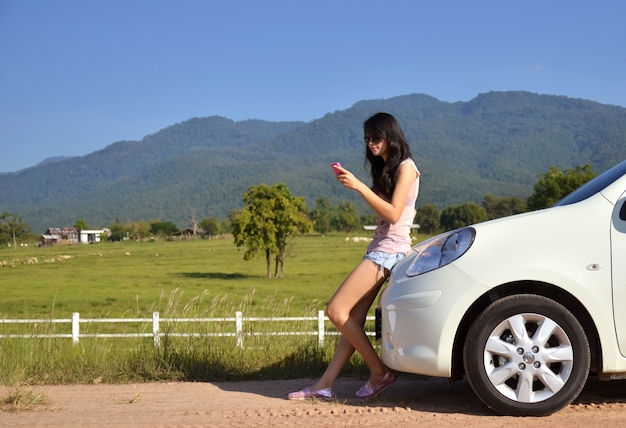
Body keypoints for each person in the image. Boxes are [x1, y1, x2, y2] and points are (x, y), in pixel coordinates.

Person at [287, 112, 420, 400]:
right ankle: (325, 384)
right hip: (380, 249)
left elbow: (395, 214)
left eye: (376, 138)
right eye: (367, 139)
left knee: (335, 311)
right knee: (351, 322)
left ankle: (379, 372)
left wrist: (359, 187)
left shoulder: (407, 168)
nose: (370, 144)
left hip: (388, 252)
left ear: (390, 137)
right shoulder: (387, 169)